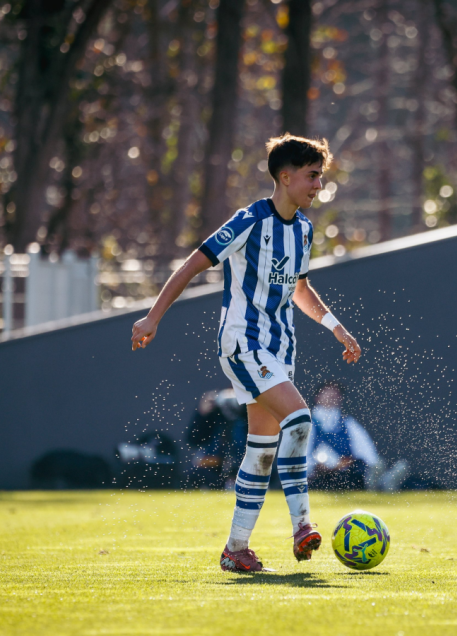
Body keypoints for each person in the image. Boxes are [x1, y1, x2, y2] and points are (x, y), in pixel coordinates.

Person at [130, 134, 362, 573]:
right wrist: (152, 317)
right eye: (312, 176)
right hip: (243, 343)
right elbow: (193, 264)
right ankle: (302, 525)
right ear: (285, 177)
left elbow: (300, 289)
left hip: (280, 349)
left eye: (320, 177)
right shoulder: (249, 221)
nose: (319, 185)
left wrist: (336, 327)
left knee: (261, 449)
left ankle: (235, 550)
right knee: (300, 419)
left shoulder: (304, 230)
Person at [307, 381, 410, 492]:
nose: (331, 396)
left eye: (335, 393)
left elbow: (365, 448)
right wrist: (315, 467)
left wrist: (372, 464)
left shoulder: (348, 422)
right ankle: (381, 483)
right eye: (327, 392)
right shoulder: (307, 423)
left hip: (345, 471)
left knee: (353, 474)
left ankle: (380, 480)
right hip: (318, 474)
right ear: (317, 397)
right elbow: (302, 454)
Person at [184, 389, 246, 489]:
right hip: (214, 468)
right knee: (198, 473)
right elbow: (193, 440)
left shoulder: (247, 415)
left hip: (243, 465)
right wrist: (201, 415)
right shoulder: (215, 414)